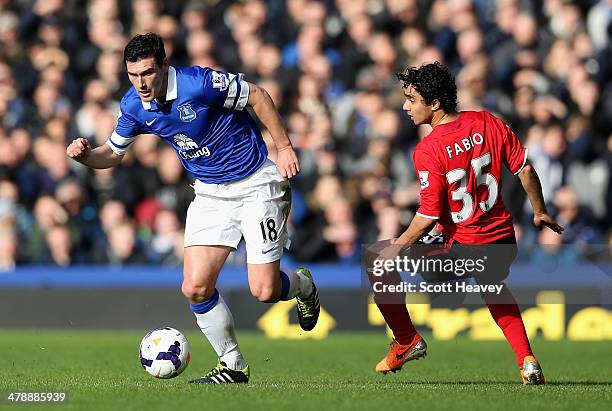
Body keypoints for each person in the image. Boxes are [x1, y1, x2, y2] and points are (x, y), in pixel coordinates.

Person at [66, 33, 320, 384]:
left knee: (264, 291)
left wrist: (284, 146)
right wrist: (85, 157)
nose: (141, 83)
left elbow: (257, 95)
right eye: (133, 75)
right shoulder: (133, 105)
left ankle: (303, 286)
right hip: (210, 193)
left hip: (256, 182)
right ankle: (233, 365)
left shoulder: (198, 83)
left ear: (165, 66)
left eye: (148, 73)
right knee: (195, 287)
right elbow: (111, 153)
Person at [371, 63, 563, 385]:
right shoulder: (488, 121)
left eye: (411, 99)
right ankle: (527, 360)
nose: (405, 106)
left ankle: (406, 341)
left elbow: (428, 215)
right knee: (494, 288)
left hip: (459, 251)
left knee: (377, 261)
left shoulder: (428, 150)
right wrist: (539, 211)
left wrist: (397, 246)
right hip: (502, 242)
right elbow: (525, 170)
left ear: (434, 104)